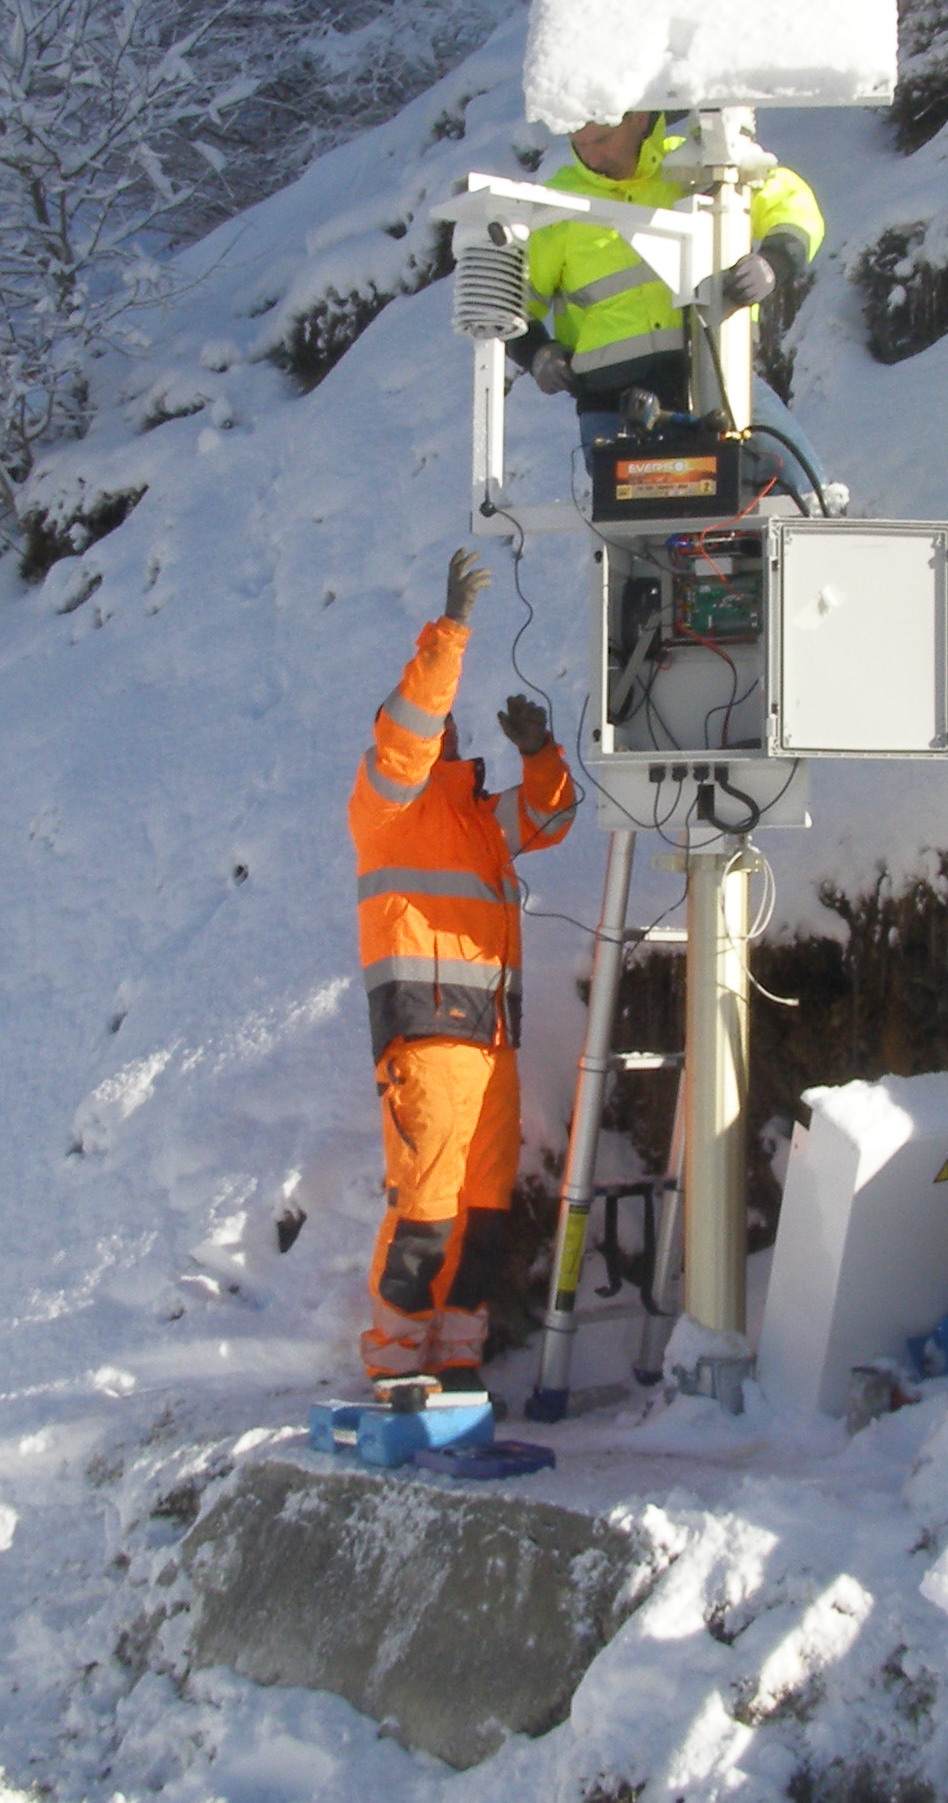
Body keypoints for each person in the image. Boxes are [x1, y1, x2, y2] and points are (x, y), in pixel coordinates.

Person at [347, 546, 579, 1389]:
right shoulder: (387, 800)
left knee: (481, 1217)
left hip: (491, 1046)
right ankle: (395, 1368)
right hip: (428, 1038)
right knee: (426, 1214)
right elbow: (408, 733)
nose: (437, 725)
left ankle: (455, 1361)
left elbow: (552, 820)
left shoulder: (476, 817)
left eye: (443, 717)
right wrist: (450, 636)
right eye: (422, 717)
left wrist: (542, 752)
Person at [507, 110, 835, 500]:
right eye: (580, 144)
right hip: (612, 405)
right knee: (644, 540)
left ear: (640, 119)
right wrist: (535, 353)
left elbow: (791, 203)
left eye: (602, 140)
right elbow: (507, 298)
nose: (592, 158)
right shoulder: (558, 205)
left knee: (808, 496)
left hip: (718, 383)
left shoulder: (698, 168)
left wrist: (775, 261)